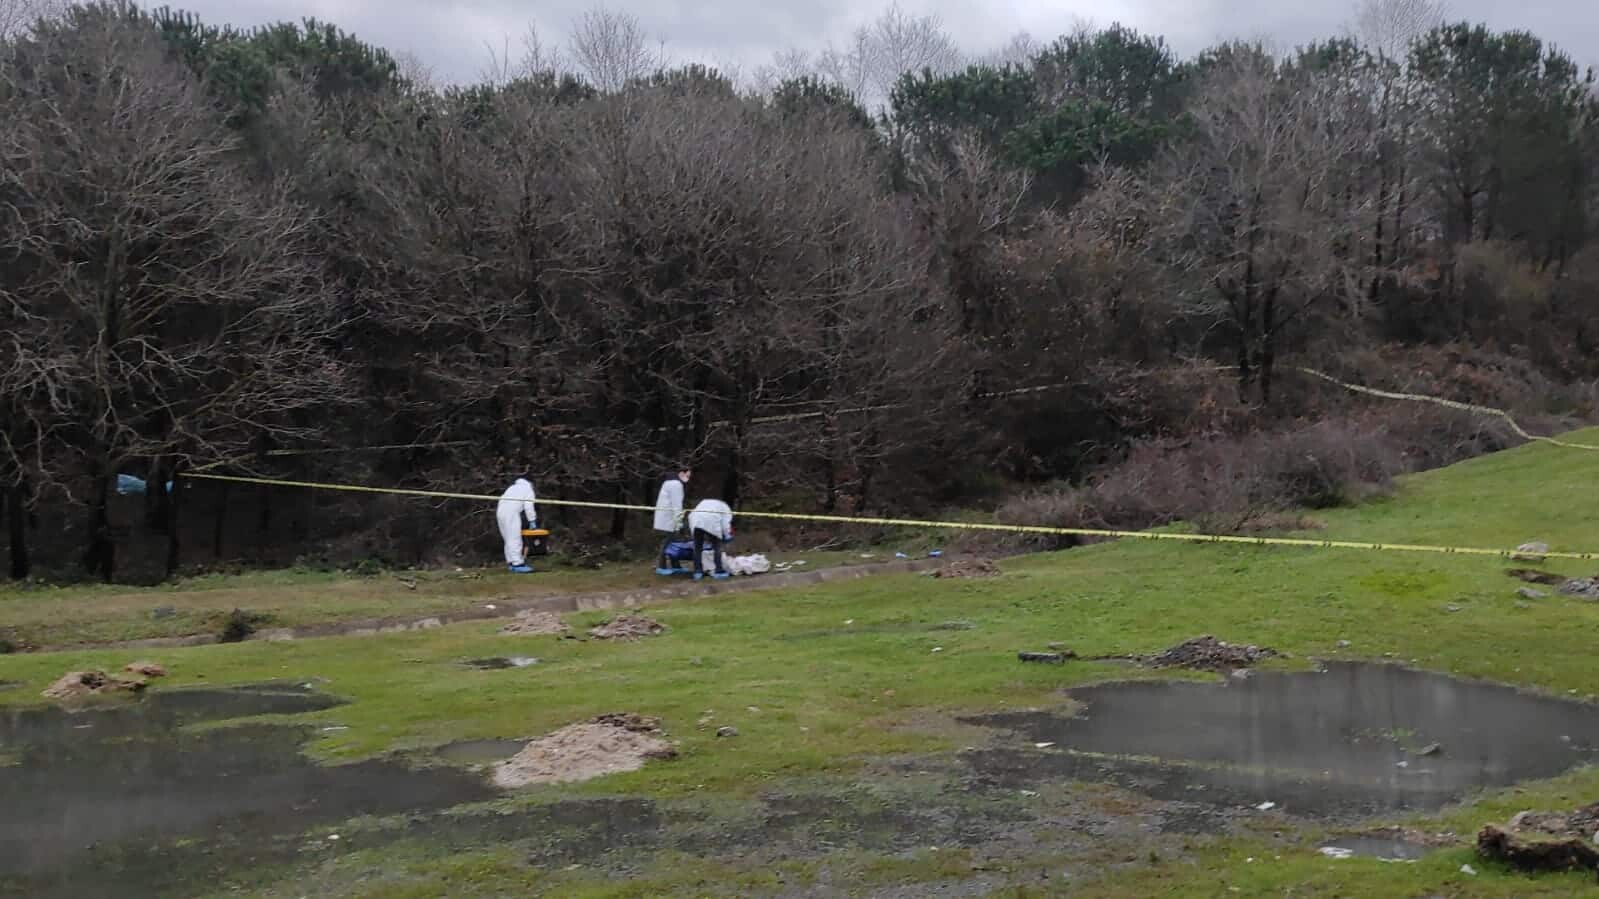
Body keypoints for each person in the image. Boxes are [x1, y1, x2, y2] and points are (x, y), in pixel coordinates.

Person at [653, 466, 692, 575]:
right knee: (668, 542)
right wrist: (679, 522)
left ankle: (675, 565)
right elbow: (677, 505)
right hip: (669, 518)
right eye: (687, 476)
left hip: (667, 517)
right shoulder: (676, 485)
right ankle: (661, 566)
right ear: (681, 473)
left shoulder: (669, 482)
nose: (688, 479)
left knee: (673, 542)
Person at [496, 475, 538, 573]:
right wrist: (532, 520)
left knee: (508, 538)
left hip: (500, 512)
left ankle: (511, 561)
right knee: (514, 538)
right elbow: (529, 506)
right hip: (511, 513)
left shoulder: (512, 487)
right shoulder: (528, 489)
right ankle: (517, 563)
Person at [687, 497, 733, 580]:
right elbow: (725, 524)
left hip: (695, 520)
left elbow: (693, 515)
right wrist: (727, 535)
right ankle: (719, 570)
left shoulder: (704, 501)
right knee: (717, 546)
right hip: (711, 520)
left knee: (697, 547)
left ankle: (698, 572)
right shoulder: (725, 507)